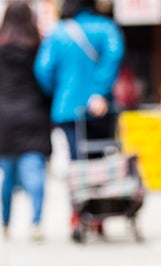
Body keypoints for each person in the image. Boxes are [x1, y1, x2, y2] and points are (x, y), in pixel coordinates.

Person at [34, 0, 125, 237]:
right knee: (99, 159)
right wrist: (99, 90)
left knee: (76, 163)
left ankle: (78, 214)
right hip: (101, 108)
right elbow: (114, 55)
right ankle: (98, 214)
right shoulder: (105, 28)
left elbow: (43, 70)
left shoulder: (57, 34)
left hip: (67, 108)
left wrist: (61, 90)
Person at [0, 1, 53, 242]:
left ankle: (6, 224)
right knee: (35, 172)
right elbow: (46, 80)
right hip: (32, 114)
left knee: (7, 175)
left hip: (4, 118)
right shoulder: (38, 46)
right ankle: (36, 223)